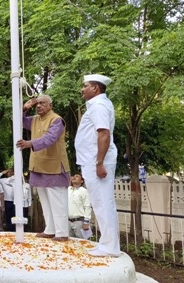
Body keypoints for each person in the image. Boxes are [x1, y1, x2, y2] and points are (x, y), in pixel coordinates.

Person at [75, 74, 120, 257]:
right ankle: (106, 244)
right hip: (93, 161)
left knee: (103, 203)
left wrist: (99, 163)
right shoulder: (97, 105)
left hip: (97, 162)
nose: (82, 89)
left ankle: (110, 247)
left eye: (85, 86)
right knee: (100, 203)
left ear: (95, 88)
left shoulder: (99, 106)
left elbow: (104, 134)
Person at [16, 94, 71, 241]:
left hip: (54, 166)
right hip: (38, 166)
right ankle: (51, 229)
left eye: (42, 103)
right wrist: (25, 108)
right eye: (37, 104)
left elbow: (50, 138)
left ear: (50, 105)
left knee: (57, 200)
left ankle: (62, 233)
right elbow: (17, 120)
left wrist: (30, 143)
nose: (39, 106)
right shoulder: (34, 119)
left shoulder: (56, 120)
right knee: (45, 201)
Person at [67, 173, 92, 239]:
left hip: (79, 222)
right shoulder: (67, 189)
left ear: (82, 181)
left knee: (81, 242)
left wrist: (86, 222)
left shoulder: (84, 191)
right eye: (74, 176)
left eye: (77, 176)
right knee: (69, 243)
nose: (74, 177)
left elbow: (87, 207)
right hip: (67, 222)